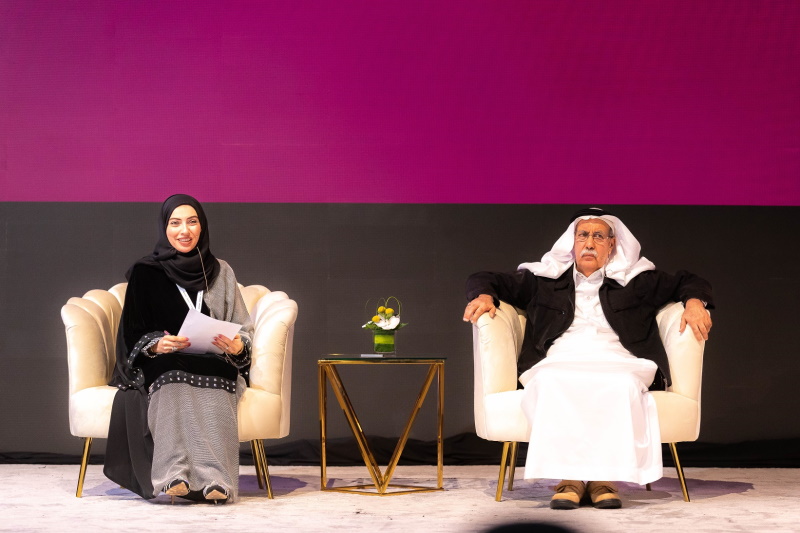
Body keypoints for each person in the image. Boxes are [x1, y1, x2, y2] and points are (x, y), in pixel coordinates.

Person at [463, 207, 713, 510]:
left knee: (620, 385)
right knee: (552, 381)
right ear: (572, 242)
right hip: (560, 357)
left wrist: (695, 302)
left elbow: (689, 280)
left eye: (598, 236)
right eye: (583, 236)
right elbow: (483, 278)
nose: (590, 243)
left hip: (619, 358)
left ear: (612, 244)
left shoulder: (637, 281)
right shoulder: (544, 280)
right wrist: (484, 296)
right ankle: (569, 480)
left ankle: (603, 480)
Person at [104, 194, 254, 504]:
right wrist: (156, 344)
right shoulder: (145, 271)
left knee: (217, 371)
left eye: (192, 222)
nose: (184, 231)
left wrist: (238, 344)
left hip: (213, 357)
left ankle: (217, 480)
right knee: (171, 372)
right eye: (175, 223)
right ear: (164, 228)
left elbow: (242, 327)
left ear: (202, 227)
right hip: (164, 360)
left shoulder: (221, 271)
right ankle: (173, 475)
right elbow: (132, 332)